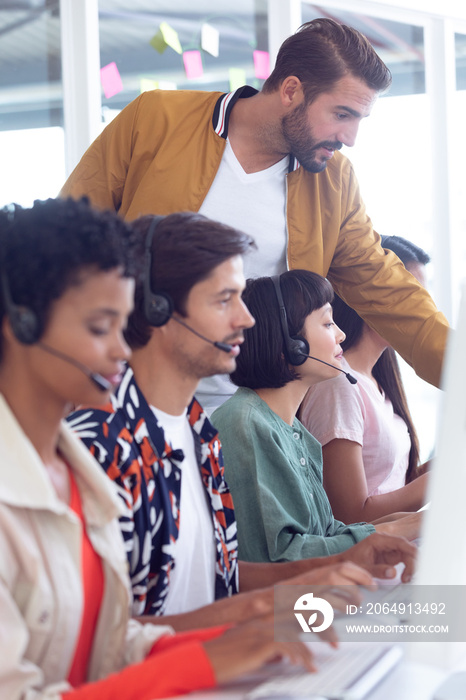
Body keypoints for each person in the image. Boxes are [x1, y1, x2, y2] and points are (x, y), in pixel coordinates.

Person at [0, 198, 327, 699]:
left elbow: (110, 645)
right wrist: (203, 656)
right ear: (20, 326)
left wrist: (243, 628)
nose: (120, 347)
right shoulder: (96, 449)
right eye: (97, 327)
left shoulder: (82, 468)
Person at [60, 18, 448, 413]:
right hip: (121, 402)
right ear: (291, 90)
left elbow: (390, 293)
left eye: (359, 120)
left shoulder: (334, 181)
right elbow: (66, 236)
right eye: (342, 114)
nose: (350, 137)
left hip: (251, 422)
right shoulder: (156, 119)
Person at [67, 213, 417, 632]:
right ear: (157, 308)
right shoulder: (101, 444)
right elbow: (105, 632)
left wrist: (341, 563)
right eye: (223, 300)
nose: (247, 320)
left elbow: (222, 576)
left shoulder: (200, 431)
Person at [211, 270, 421, 564]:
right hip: (286, 608)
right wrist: (401, 528)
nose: (341, 334)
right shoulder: (245, 424)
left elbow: (326, 534)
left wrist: (403, 527)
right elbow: (281, 559)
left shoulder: (293, 430)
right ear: (290, 343)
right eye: (327, 322)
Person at [299, 236, 431, 524]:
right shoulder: (338, 384)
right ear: (371, 293)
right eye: (414, 294)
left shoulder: (377, 381)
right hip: (368, 562)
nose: (424, 310)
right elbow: (350, 517)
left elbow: (395, 486)